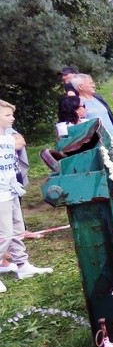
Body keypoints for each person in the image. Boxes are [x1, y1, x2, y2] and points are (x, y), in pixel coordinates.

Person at [0, 100, 53, 291]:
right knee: (3, 234)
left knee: (17, 229)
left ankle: (23, 265)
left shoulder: (7, 135)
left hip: (11, 189)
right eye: (7, 115)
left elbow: (19, 142)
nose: (12, 118)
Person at [71, 74, 113, 145]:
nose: (94, 85)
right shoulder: (78, 104)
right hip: (97, 146)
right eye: (90, 83)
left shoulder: (98, 98)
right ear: (80, 87)